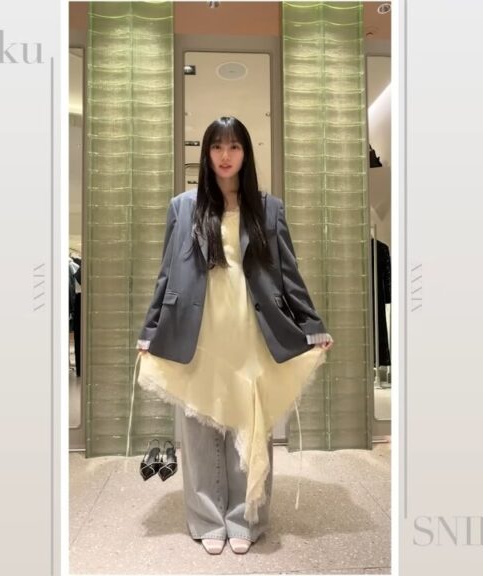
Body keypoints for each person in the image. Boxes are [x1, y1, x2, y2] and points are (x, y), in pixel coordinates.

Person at [134, 116, 333, 556]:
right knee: (199, 428)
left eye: (234, 147)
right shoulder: (183, 207)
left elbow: (288, 274)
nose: (225, 156)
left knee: (250, 420)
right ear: (206, 153)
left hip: (250, 331)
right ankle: (207, 518)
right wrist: (150, 329)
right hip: (199, 332)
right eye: (217, 147)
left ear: (246, 153)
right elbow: (167, 275)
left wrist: (311, 324)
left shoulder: (268, 208)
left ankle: (246, 517)